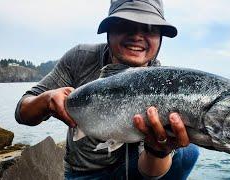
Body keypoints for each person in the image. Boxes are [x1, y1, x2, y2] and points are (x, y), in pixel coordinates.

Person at [15, 0, 199, 179]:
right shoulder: (80, 58)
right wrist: (46, 100)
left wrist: (158, 150)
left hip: (137, 167)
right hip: (85, 172)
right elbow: (22, 113)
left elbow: (148, 173)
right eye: (125, 24)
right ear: (108, 31)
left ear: (160, 37)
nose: (136, 35)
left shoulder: (162, 83)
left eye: (149, 28)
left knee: (189, 152)